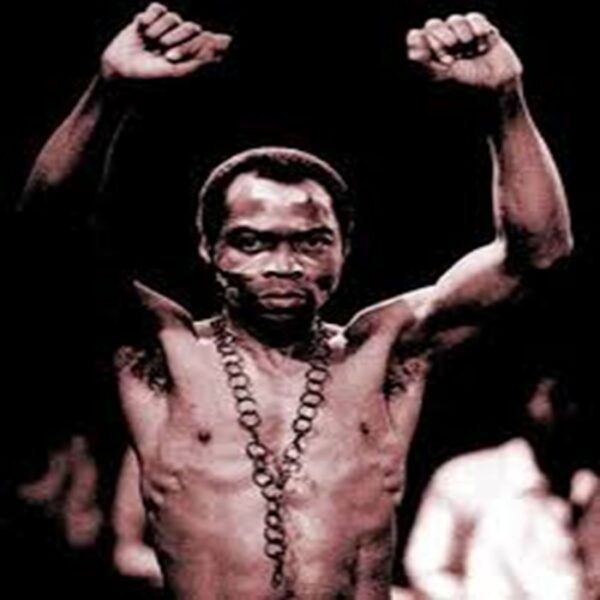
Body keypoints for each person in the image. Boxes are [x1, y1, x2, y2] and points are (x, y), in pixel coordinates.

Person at [20, 3, 573, 598]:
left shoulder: (386, 351)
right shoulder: (163, 351)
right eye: (251, 241)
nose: (284, 264)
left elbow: (538, 252)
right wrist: (110, 92)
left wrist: (505, 100)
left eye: (311, 242)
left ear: (344, 247)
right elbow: (49, 234)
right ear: (209, 247)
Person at [404, 378, 599, 600]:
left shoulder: (589, 490)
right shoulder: (468, 476)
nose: (572, 414)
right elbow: (427, 570)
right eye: (560, 400)